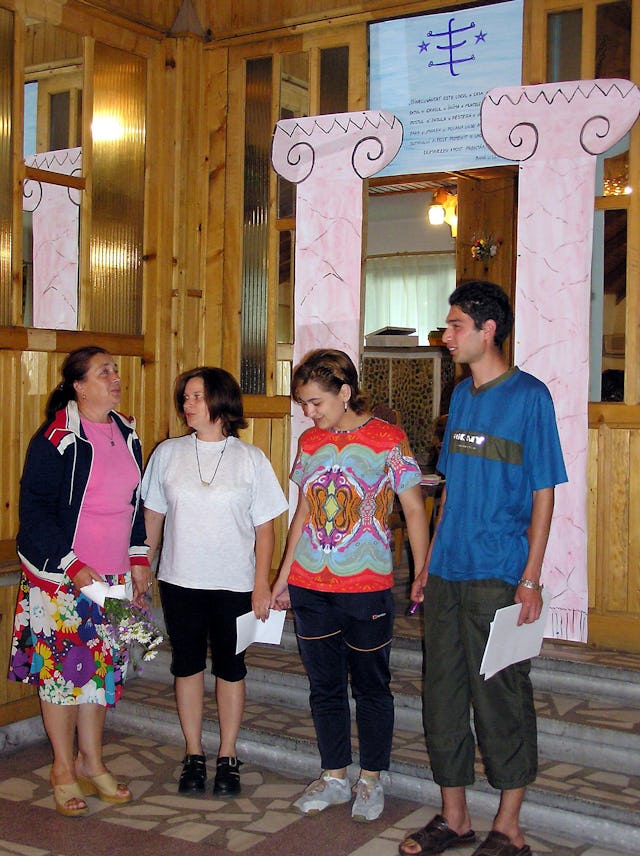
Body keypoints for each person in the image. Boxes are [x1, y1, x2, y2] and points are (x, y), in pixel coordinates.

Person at [400, 281, 567, 856]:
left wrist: (530, 578)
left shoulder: (530, 397)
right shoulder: (462, 396)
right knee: (442, 696)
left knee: (500, 696)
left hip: (499, 572)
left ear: (487, 329)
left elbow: (544, 493)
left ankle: (508, 828)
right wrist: (428, 563)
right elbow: (450, 487)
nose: (445, 336)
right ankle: (455, 819)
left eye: (455, 326)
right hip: (448, 571)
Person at [270, 349, 429, 823]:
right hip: (310, 585)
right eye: (304, 403)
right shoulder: (310, 441)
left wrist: (422, 570)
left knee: (371, 687)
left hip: (366, 588)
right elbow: (304, 510)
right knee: (324, 686)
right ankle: (335, 775)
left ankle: (372, 778)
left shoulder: (389, 438)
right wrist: (283, 577)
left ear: (344, 392)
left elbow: (414, 508)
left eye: (316, 402)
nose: (309, 412)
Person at [8, 347, 151, 817]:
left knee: (100, 674)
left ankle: (92, 760)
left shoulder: (127, 432)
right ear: (79, 386)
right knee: (62, 679)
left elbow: (134, 504)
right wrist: (71, 564)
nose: (115, 377)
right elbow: (35, 514)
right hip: (63, 580)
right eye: (104, 372)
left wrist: (138, 557)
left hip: (113, 581)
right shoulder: (55, 438)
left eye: (116, 370)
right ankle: (62, 768)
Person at [142, 366, 288, 798]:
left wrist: (262, 584)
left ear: (221, 402)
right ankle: (193, 753)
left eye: (197, 396)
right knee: (186, 665)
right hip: (179, 580)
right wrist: (141, 568)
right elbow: (153, 519)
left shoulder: (250, 459)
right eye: (185, 397)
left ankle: (227, 754)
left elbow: (265, 530)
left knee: (231, 668)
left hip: (235, 584)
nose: (188, 404)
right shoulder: (168, 453)